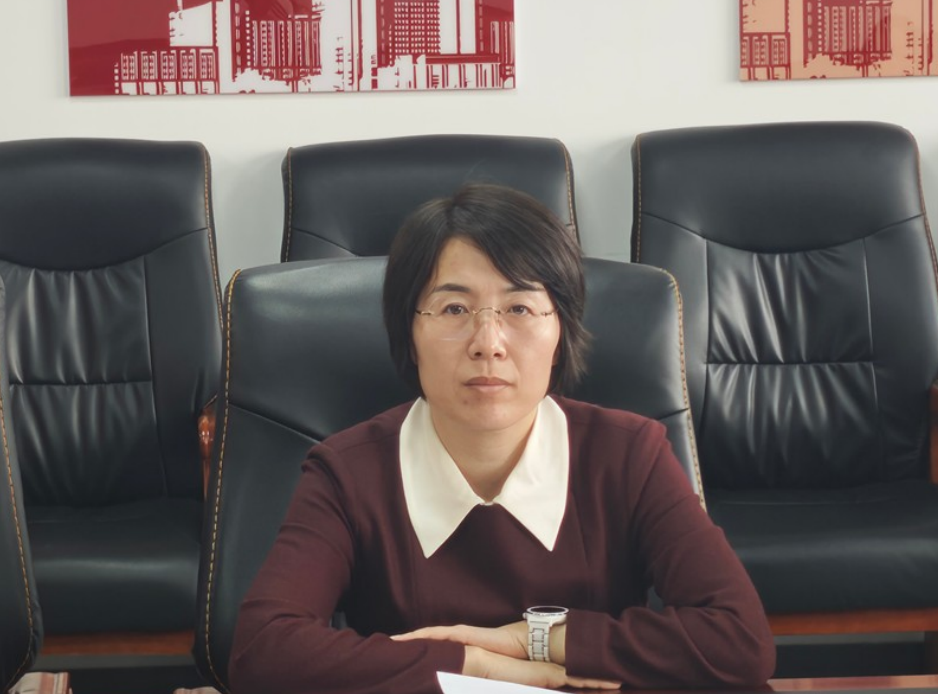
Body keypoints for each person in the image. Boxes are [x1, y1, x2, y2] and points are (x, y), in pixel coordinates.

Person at [229, 184, 776, 694]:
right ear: (408, 334)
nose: (488, 343)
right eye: (454, 309)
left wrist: (532, 641)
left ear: (560, 332)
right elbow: (262, 651)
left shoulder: (629, 453)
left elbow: (739, 641)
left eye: (519, 308)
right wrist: (475, 664)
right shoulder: (347, 472)